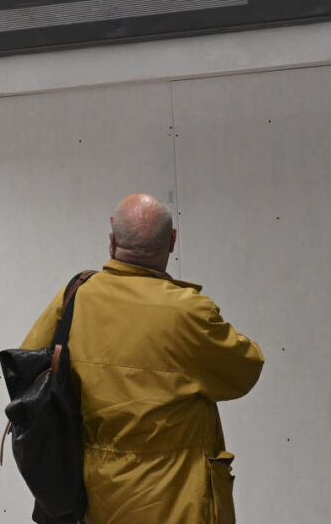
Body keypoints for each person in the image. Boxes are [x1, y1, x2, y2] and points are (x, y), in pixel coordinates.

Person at [19, 194, 263, 524]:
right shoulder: (188, 312)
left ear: (112, 238)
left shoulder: (76, 297)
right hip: (180, 499)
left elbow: (28, 371)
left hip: (100, 499)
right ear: (172, 240)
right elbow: (245, 369)